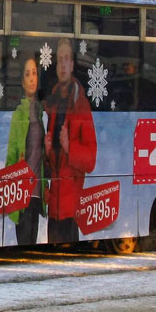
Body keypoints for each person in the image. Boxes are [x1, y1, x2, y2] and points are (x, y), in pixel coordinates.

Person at [44, 37, 97, 243]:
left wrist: (69, 147)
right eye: (59, 59)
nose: (63, 64)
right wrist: (48, 152)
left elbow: (91, 160)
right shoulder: (53, 103)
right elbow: (51, 163)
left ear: (73, 65)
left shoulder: (81, 104)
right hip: (54, 211)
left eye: (67, 59)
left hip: (71, 210)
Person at [5, 56, 46, 245]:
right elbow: (11, 157)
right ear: (22, 82)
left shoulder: (42, 110)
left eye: (35, 73)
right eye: (27, 74)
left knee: (32, 247)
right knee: (24, 246)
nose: (32, 78)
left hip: (37, 192)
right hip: (21, 193)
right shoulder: (18, 114)